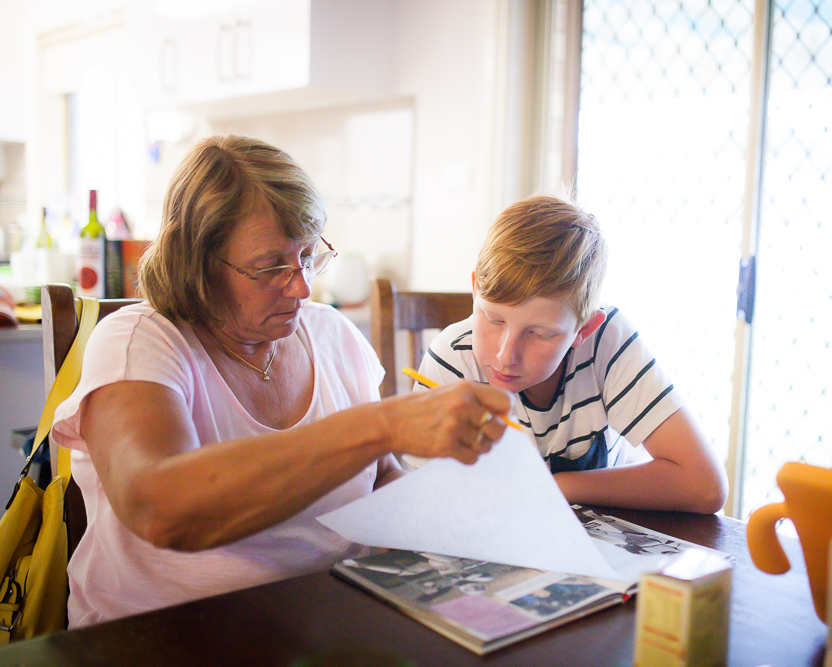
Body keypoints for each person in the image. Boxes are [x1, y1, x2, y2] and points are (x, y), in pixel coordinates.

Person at [50, 135, 513, 627]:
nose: (303, 286)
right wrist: (384, 424)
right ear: (199, 263)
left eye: (309, 256)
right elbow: (159, 510)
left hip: (324, 623)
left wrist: (451, 524)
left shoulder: (332, 335)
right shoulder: (140, 342)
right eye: (271, 266)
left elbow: (378, 479)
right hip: (161, 639)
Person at [415, 194, 727, 513]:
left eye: (540, 333)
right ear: (475, 290)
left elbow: (705, 486)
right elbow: (425, 501)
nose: (506, 355)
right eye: (494, 319)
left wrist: (556, 486)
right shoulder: (451, 362)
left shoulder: (607, 342)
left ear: (584, 330)